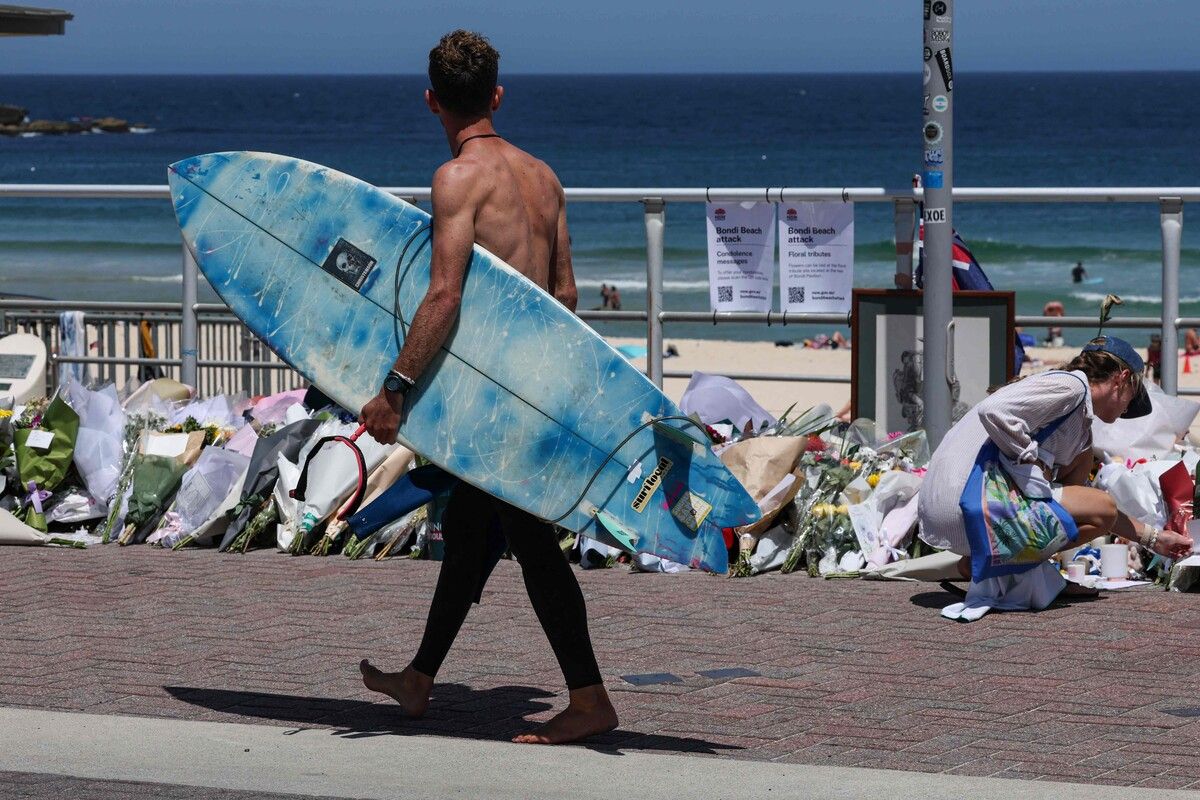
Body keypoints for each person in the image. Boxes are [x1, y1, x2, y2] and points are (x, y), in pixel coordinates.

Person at [358, 30, 617, 745]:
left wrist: (396, 389)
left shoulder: (456, 180)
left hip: (496, 403)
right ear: (497, 96)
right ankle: (418, 680)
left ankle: (591, 699)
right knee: (471, 533)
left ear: (431, 100)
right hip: (532, 389)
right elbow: (564, 294)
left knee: (531, 542)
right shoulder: (544, 177)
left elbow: (444, 295)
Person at [919, 336, 1193, 604]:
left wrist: (1154, 539)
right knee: (1103, 509)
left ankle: (1006, 567)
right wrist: (1030, 459)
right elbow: (993, 409)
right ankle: (1018, 568)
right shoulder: (1073, 387)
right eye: (1132, 396)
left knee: (1089, 481)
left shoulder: (1071, 412)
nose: (1127, 408)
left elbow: (1082, 501)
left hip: (944, 509)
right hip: (966, 507)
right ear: (1120, 379)